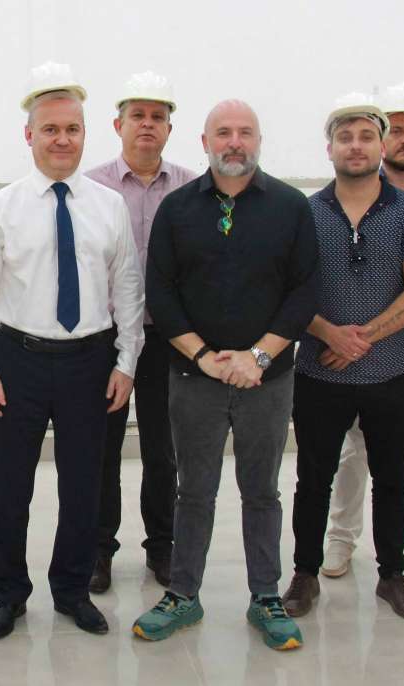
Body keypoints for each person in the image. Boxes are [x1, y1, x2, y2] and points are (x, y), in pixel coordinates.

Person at [0, 62, 144, 640]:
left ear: (85, 133)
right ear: (29, 135)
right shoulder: (2, 207)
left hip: (90, 361)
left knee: (84, 484)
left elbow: (128, 289)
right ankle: (8, 594)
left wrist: (126, 361)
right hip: (18, 359)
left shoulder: (108, 206)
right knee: (9, 486)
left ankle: (71, 590)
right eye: (50, 129)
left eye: (71, 129)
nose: (62, 139)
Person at [132, 99, 318, 650]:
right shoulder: (176, 209)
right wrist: (202, 356)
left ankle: (266, 597)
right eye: (223, 133)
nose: (234, 142)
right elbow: (161, 293)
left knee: (261, 491)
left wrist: (257, 357)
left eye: (245, 132)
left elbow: (304, 291)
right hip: (194, 377)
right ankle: (183, 595)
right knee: (193, 491)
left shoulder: (290, 206)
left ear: (258, 140)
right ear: (204, 141)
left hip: (267, 379)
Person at [281, 93, 404, 622]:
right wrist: (329, 333)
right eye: (345, 137)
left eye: (366, 136)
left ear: (382, 145)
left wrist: (361, 339)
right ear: (329, 148)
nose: (356, 146)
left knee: (391, 478)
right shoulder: (305, 214)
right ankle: (304, 574)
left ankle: (392, 575)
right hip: (318, 372)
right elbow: (288, 289)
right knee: (313, 478)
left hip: (391, 373)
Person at [322, 83, 404, 582]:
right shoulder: (347, 195)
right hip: (354, 356)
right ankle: (341, 539)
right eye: (396, 129)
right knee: (353, 452)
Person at [84, 71, 197, 592]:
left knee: (162, 448)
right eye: (137, 116)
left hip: (169, 340)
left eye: (157, 117)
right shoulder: (91, 188)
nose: (147, 125)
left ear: (169, 128)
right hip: (105, 338)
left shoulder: (193, 188)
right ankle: (98, 549)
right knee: (102, 448)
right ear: (118, 125)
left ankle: (162, 547)